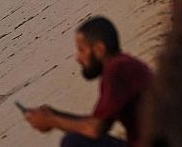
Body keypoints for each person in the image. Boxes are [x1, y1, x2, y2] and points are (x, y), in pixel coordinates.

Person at [22, 16, 152, 147]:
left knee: (74, 142)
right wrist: (54, 115)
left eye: (82, 50)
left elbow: (95, 129)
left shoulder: (117, 71)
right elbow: (98, 122)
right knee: (76, 139)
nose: (78, 58)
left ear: (99, 49)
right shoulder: (122, 65)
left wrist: (51, 120)